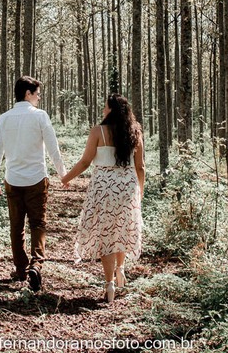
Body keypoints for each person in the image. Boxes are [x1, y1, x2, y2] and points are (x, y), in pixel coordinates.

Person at [60, 94, 144, 304]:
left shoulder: (98, 132)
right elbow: (140, 167)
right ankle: (121, 270)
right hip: (127, 187)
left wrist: (65, 178)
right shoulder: (135, 132)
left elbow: (85, 162)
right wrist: (139, 192)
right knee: (122, 228)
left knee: (106, 233)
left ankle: (109, 285)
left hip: (104, 187)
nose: (103, 111)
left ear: (112, 111)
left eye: (105, 108)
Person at [0, 75, 67, 291]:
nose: (39, 98)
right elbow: (53, 147)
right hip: (36, 180)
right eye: (37, 94)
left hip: (12, 180)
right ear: (27, 94)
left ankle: (21, 269)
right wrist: (62, 173)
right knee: (38, 223)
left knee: (16, 226)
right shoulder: (40, 116)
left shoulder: (4, 118)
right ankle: (36, 264)